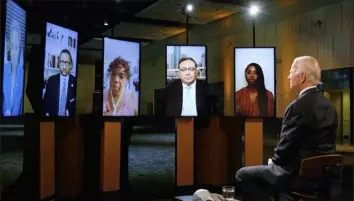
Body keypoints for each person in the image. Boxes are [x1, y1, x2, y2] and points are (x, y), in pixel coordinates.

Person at [235, 56, 338, 201]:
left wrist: (274, 161)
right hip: (323, 179)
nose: (288, 76)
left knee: (242, 174)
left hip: (295, 176)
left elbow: (285, 147)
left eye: (291, 72)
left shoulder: (297, 107)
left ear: (302, 77)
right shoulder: (329, 106)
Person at [42, 49, 76, 116]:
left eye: (66, 62)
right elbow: (45, 102)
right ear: (58, 63)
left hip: (68, 122)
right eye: (61, 62)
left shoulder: (75, 81)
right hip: (51, 120)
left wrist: (71, 114)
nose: (63, 67)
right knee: (44, 126)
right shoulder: (51, 80)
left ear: (70, 65)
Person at [2, 19, 24, 116]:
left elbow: (19, 106)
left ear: (20, 49)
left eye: (17, 47)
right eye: (12, 46)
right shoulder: (4, 69)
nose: (14, 52)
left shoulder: (22, 73)